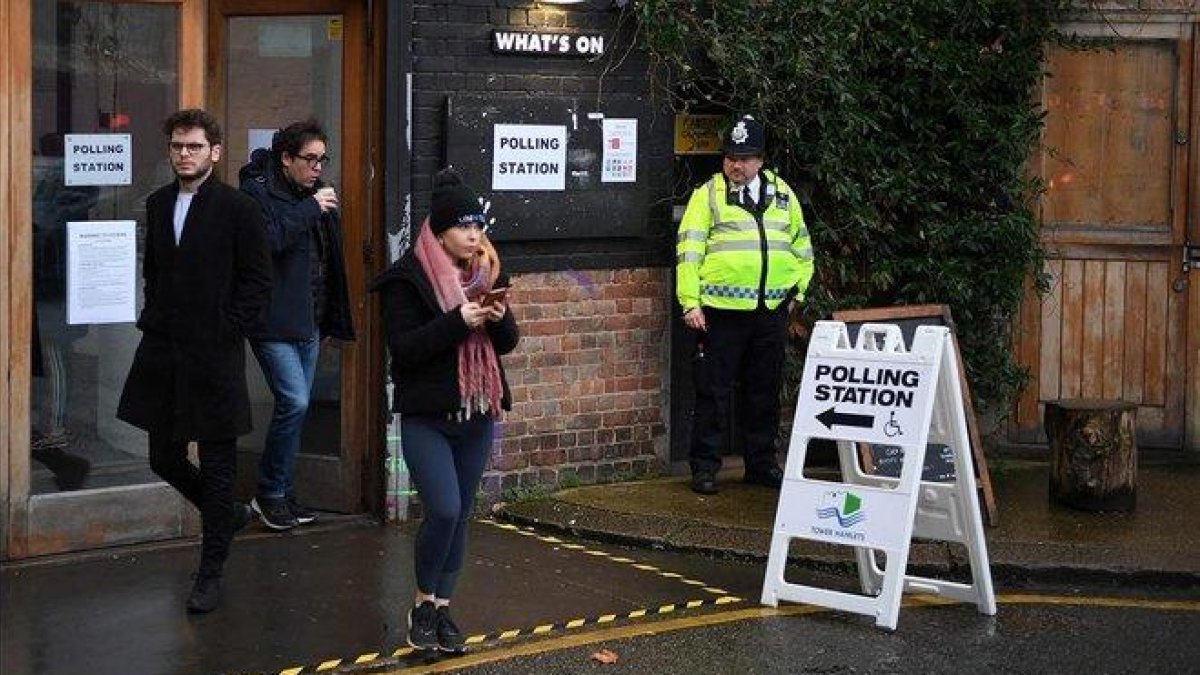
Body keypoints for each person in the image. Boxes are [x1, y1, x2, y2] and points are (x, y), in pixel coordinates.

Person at [117, 109, 272, 613]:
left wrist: (229, 326)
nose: (185, 154)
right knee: (162, 456)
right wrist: (153, 313)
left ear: (215, 152)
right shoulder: (160, 204)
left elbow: (257, 281)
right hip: (164, 351)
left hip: (214, 355)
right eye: (178, 147)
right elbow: (154, 271)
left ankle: (211, 572)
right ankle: (225, 513)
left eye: (195, 147)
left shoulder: (238, 208)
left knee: (220, 463)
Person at [371, 169, 519, 653]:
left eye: (478, 224)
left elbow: (508, 344)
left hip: (476, 415)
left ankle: (442, 608)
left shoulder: (488, 273)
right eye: (463, 225)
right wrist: (458, 322)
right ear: (439, 230)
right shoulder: (406, 279)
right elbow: (406, 349)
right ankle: (421, 604)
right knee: (444, 508)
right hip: (428, 416)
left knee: (462, 515)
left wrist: (496, 321)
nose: (475, 234)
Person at [676, 114, 815, 495]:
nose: (736, 165)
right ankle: (705, 468)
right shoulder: (707, 196)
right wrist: (691, 304)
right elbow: (688, 252)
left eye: (746, 157)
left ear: (761, 160)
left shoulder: (782, 194)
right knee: (713, 392)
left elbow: (803, 247)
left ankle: (761, 465)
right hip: (720, 313)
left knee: (763, 391)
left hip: (769, 312)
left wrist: (796, 294)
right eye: (731, 157)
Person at [238, 119, 355, 531]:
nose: (317, 167)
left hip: (308, 320)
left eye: (322, 159)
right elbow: (268, 241)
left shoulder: (311, 195)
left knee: (296, 409)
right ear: (285, 159)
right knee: (295, 403)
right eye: (310, 159)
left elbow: (324, 258)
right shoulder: (257, 193)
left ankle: (283, 492)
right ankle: (269, 492)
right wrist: (310, 209)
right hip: (271, 321)